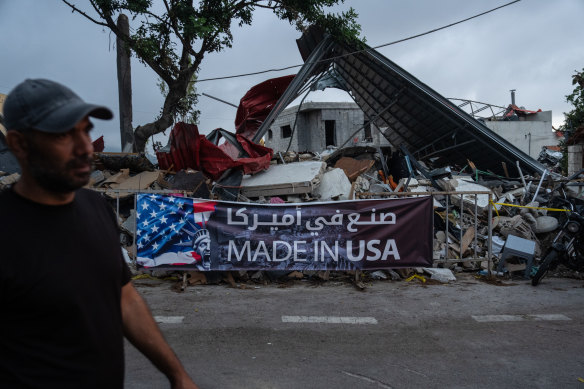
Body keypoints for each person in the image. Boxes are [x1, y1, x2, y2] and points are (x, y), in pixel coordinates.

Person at [0, 79, 198, 389]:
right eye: (64, 134)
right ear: (19, 144)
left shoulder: (95, 207)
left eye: (85, 130)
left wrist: (177, 375)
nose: (85, 148)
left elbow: (125, 299)